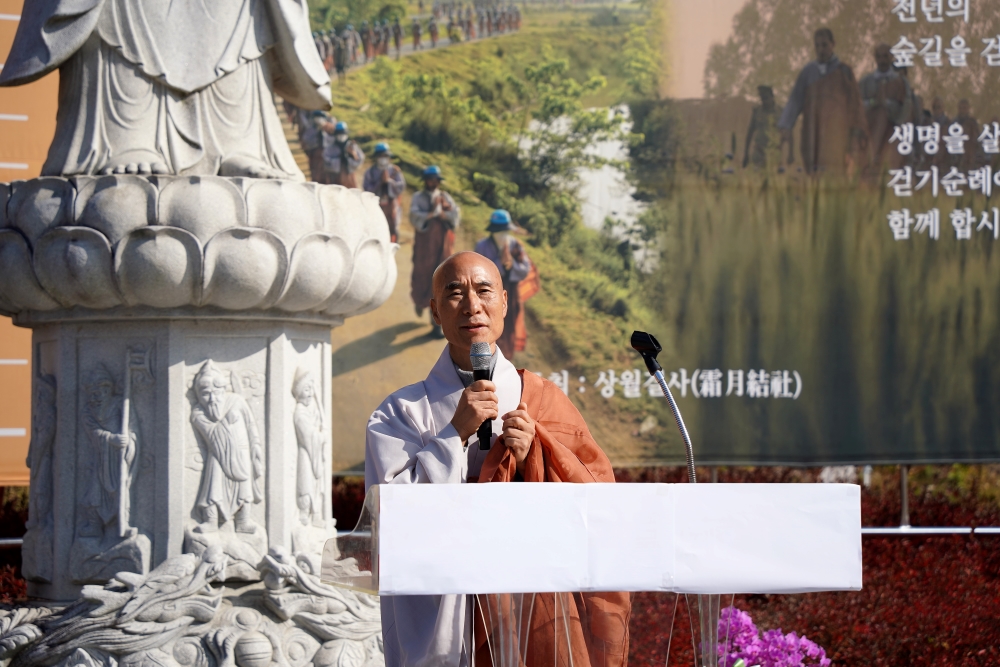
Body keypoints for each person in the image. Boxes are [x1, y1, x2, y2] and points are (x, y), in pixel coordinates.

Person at [366, 251, 631, 667]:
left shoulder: (544, 400)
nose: (472, 305)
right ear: (435, 310)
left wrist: (533, 459)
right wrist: (453, 434)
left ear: (505, 303)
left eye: (484, 290)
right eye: (455, 293)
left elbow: (598, 498)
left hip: (532, 599)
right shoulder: (400, 412)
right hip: (448, 606)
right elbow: (389, 515)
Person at [777, 28, 867, 175]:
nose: (820, 49)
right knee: (814, 174)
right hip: (812, 131)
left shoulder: (844, 71)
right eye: (817, 45)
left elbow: (855, 105)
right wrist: (786, 126)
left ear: (833, 44)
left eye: (824, 45)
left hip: (837, 134)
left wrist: (856, 132)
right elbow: (795, 99)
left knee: (836, 174)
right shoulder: (808, 72)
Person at [474, 210, 537, 359]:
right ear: (493, 232)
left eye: (505, 231)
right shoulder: (482, 247)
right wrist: (500, 263)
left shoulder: (515, 246)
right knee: (487, 327)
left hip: (510, 295)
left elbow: (525, 269)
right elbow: (477, 272)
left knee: (508, 328)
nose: (502, 235)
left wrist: (511, 263)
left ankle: (504, 360)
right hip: (488, 296)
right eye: (499, 231)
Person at [410, 166, 460, 338]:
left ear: (438, 181)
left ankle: (436, 324)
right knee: (422, 276)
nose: (432, 182)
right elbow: (414, 216)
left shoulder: (445, 197)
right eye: (429, 179)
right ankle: (419, 301)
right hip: (424, 247)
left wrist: (444, 214)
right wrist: (431, 214)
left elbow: (455, 215)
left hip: (442, 248)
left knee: (441, 282)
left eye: (435, 180)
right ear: (425, 181)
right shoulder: (418, 197)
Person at [859, 43, 912, 174]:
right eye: (879, 57)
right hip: (870, 134)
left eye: (885, 56)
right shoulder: (866, 81)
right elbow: (857, 105)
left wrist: (887, 105)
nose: (882, 60)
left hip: (894, 134)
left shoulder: (901, 82)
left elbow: (906, 107)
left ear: (891, 57)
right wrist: (874, 102)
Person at [363, 142, 407, 243]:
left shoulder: (395, 171)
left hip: (391, 205)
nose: (383, 158)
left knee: (393, 227)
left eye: (385, 156)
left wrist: (389, 182)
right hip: (375, 205)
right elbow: (366, 189)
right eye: (380, 156)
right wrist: (379, 183)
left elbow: (401, 187)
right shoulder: (370, 172)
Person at [742, 85, 784, 170]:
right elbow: (750, 132)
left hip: (774, 154)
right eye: (762, 98)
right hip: (759, 153)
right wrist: (746, 153)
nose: (764, 101)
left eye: (766, 98)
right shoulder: (757, 111)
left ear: (772, 97)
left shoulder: (780, 112)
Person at [323, 121, 364, 188]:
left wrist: (352, 155)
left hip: (349, 176)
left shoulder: (352, 146)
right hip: (335, 178)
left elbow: (360, 160)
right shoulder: (330, 148)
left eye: (343, 133)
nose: (341, 136)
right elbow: (326, 162)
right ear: (335, 134)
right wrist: (339, 159)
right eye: (339, 134)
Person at [299, 108, 333, 183]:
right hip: (315, 154)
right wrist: (316, 129)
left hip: (326, 155)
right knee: (316, 174)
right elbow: (307, 139)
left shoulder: (329, 125)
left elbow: (333, 139)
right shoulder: (311, 127)